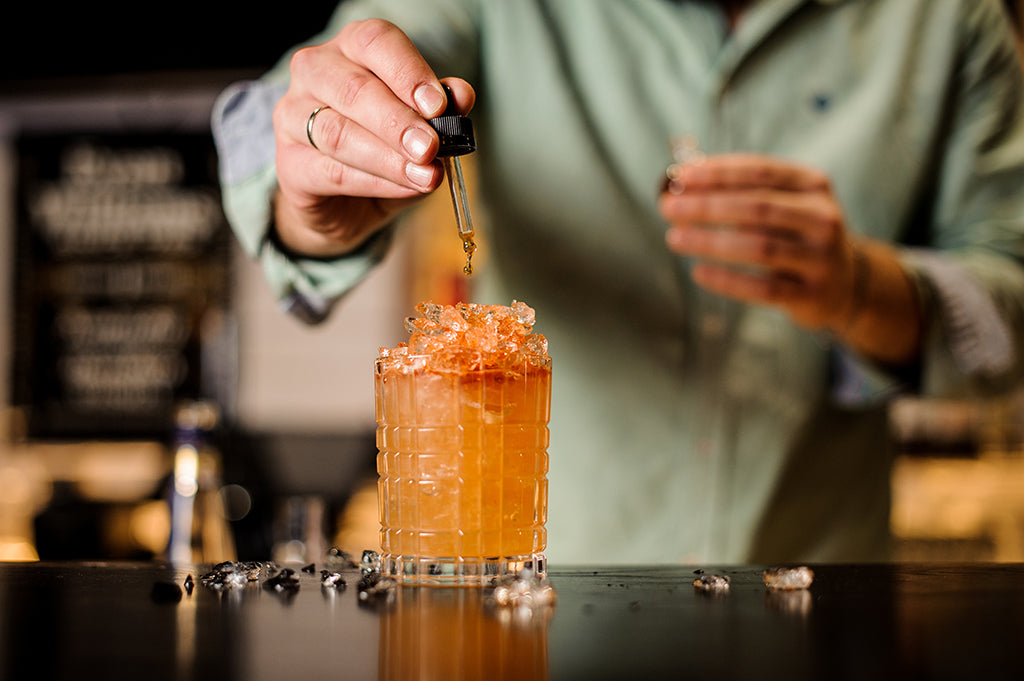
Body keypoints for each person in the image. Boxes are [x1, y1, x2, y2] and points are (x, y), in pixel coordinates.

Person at [212, 0, 1024, 564]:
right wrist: (312, 189)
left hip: (814, 609)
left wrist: (863, 289)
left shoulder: (952, 20)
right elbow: (290, 111)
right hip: (539, 615)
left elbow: (1010, 309)